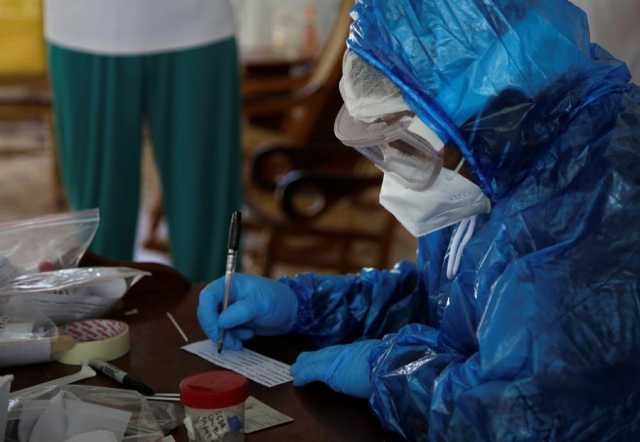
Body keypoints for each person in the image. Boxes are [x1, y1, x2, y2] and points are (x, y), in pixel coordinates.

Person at [198, 1, 640, 440]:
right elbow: (450, 305)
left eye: (404, 144)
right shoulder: (497, 157)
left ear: (485, 106)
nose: (393, 169)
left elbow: (520, 415)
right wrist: (305, 306)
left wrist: (388, 374)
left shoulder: (598, 202)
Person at [45, 0, 243, 281]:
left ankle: (219, 306)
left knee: (208, 215)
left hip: (200, 26)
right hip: (84, 27)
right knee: (98, 234)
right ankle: (101, 305)